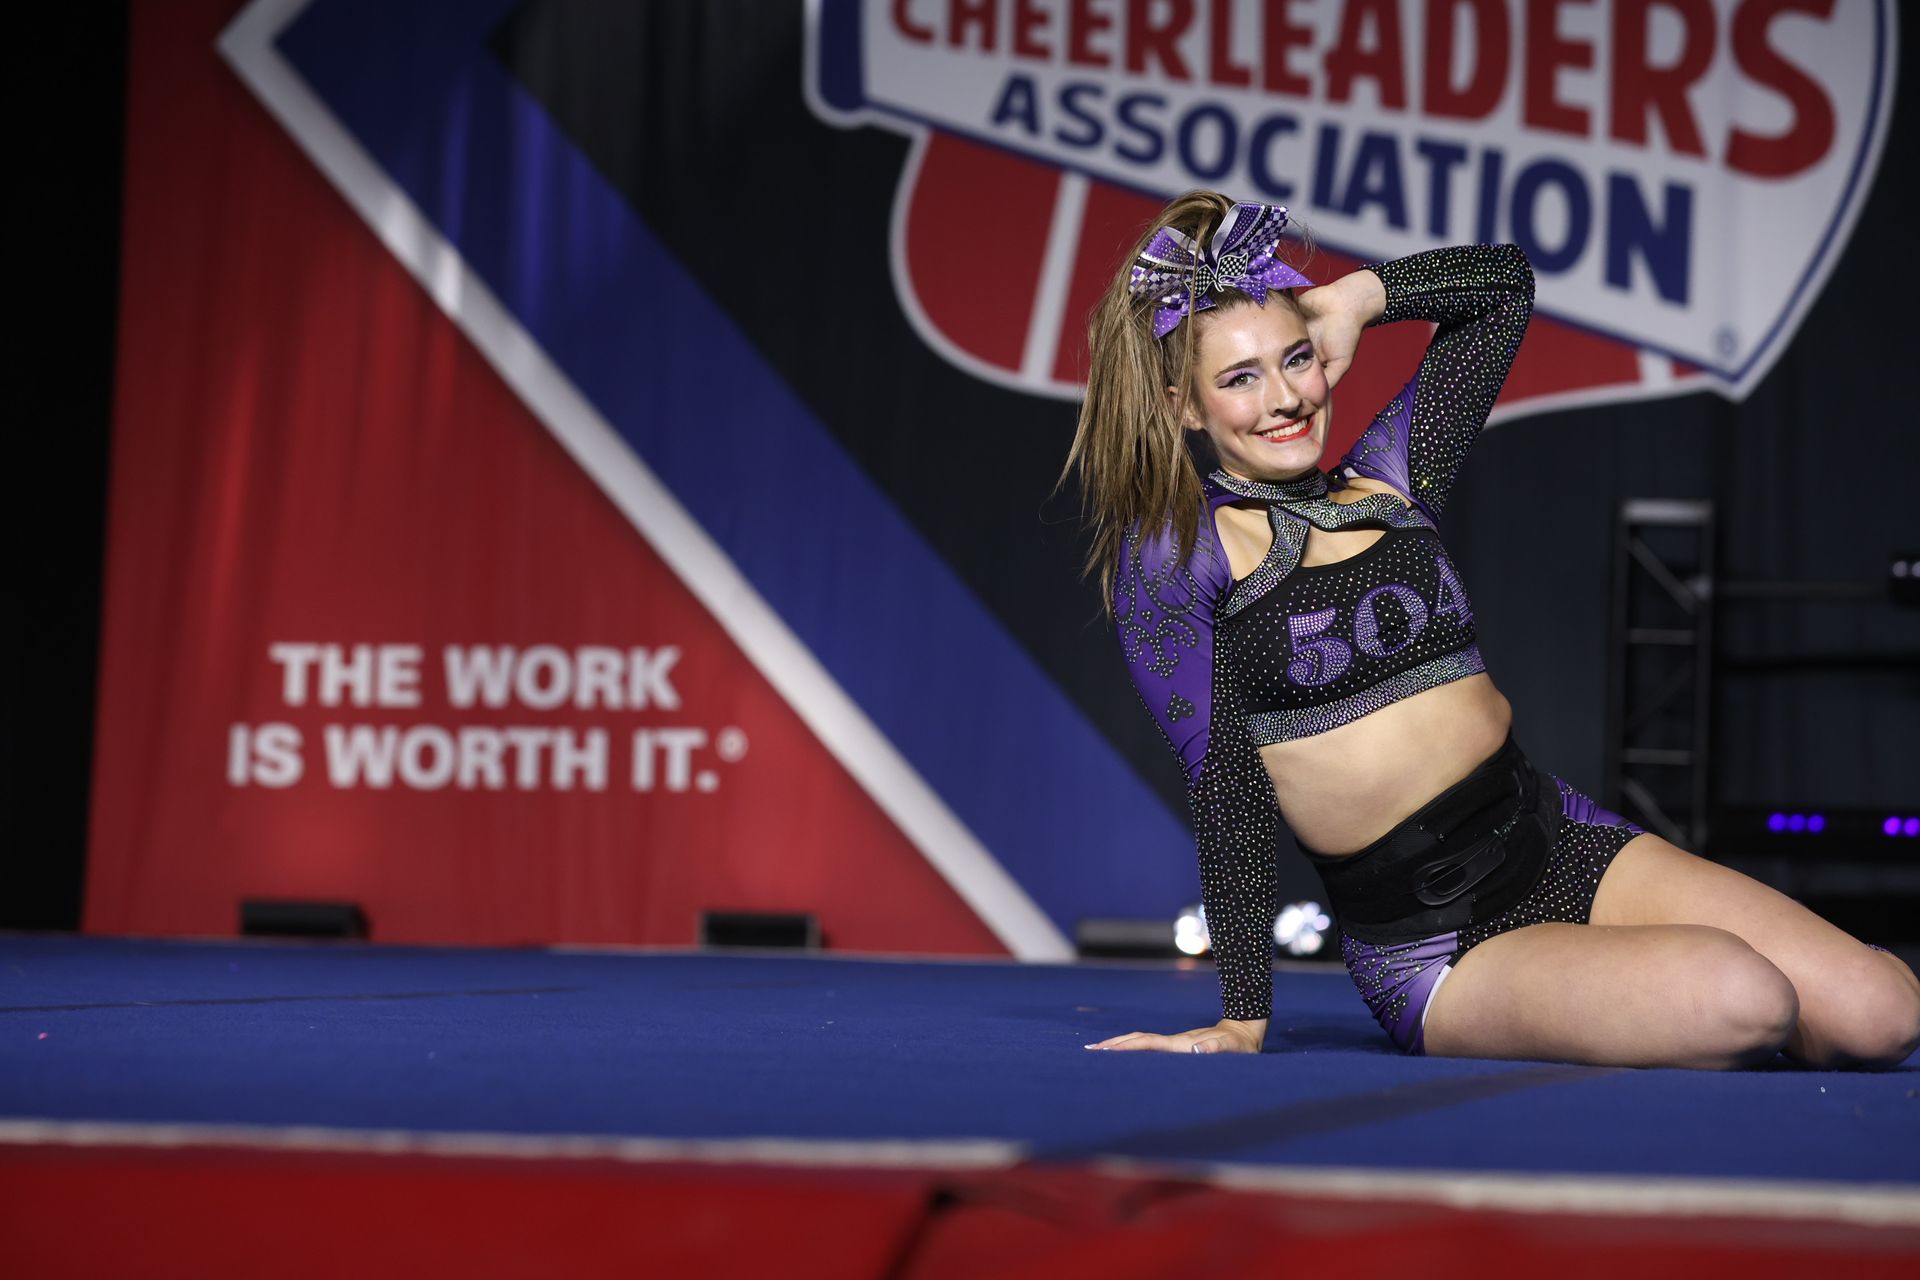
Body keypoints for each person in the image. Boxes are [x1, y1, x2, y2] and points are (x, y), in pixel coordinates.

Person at [1062, 191, 1920, 1068]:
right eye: (1241, 378)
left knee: (1882, 1012)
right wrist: (1244, 1016)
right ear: (1184, 407)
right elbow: (1226, 788)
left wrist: (1361, 298)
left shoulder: (1392, 476)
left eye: (1296, 359)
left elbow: (1504, 287)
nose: (1286, 398)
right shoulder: (1177, 555)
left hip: (1560, 839)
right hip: (1437, 944)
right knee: (1747, 998)